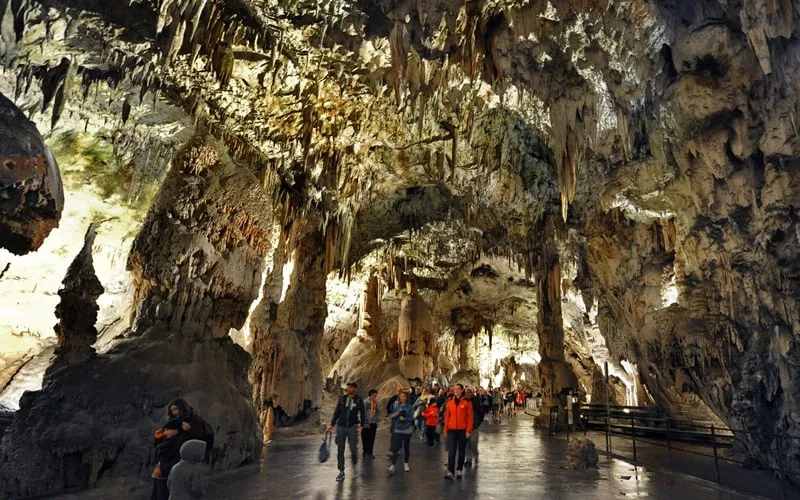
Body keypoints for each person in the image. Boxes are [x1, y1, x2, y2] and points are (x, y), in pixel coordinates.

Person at [327, 382, 365, 482]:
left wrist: (362, 425)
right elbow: (337, 412)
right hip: (341, 426)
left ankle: (355, 464)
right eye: (348, 387)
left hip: (352, 427)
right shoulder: (342, 399)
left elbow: (363, 412)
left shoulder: (358, 400)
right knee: (340, 450)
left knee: (353, 448)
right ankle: (341, 471)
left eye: (351, 387)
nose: (348, 389)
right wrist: (331, 424)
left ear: (355, 389)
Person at [443, 384, 473, 480]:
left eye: (457, 389)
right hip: (452, 429)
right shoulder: (450, 403)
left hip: (462, 429)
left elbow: (470, 418)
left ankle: (459, 469)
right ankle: (450, 471)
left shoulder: (467, 402)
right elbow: (447, 417)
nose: (455, 391)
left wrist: (468, 430)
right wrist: (445, 429)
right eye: (454, 389)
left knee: (461, 451)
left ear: (461, 390)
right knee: (452, 451)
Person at [151, 418, 186, 500]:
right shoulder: (168, 439)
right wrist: (158, 438)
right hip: (159, 475)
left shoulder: (179, 441)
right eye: (165, 430)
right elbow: (158, 449)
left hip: (166, 477)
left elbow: (177, 460)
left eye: (168, 430)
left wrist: (162, 469)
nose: (165, 432)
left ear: (176, 430)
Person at [387, 390, 415, 474]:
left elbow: (412, 418)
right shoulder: (397, 406)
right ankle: (393, 465)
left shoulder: (410, 407)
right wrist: (395, 415)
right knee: (396, 447)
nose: (402, 398)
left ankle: (406, 463)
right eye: (400, 396)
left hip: (407, 429)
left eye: (403, 396)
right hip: (398, 429)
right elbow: (392, 415)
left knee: (406, 447)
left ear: (406, 398)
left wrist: (405, 419)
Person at [464, 388, 485, 467]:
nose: (468, 395)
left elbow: (481, 413)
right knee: (467, 444)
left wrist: (478, 423)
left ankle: (475, 455)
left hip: (474, 426)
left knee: (473, 442)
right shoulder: (463, 401)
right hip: (465, 426)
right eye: (467, 393)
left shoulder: (476, 402)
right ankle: (468, 459)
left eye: (469, 393)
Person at [362, 389, 379, 459]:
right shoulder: (366, 402)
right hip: (366, 423)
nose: (376, 395)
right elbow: (363, 413)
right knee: (365, 438)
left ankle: (370, 452)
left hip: (373, 423)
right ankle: (365, 452)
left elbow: (377, 411)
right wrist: (364, 422)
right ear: (372, 394)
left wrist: (377, 419)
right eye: (375, 394)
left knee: (372, 438)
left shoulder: (375, 402)